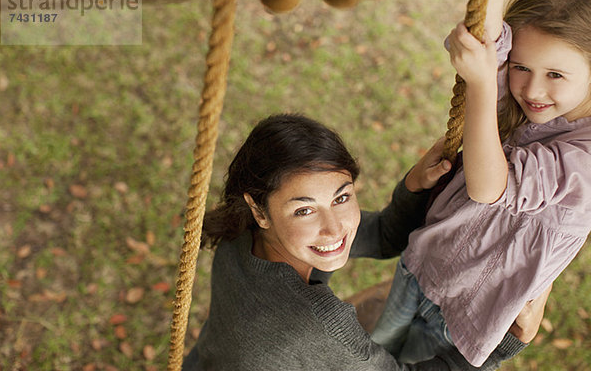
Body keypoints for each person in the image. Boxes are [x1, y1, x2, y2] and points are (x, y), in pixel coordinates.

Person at [182, 113, 542, 370]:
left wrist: (414, 186)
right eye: (304, 210)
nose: (334, 228)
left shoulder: (242, 233)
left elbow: (383, 237)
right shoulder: (315, 325)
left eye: (341, 198)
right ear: (259, 210)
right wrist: (504, 344)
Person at [371, 0, 591, 367]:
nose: (531, 90)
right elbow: (489, 44)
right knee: (370, 358)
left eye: (555, 75)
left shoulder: (585, 162)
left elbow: (490, 187)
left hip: (468, 314)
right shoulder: (534, 97)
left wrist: (483, 86)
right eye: (521, 67)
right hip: (424, 263)